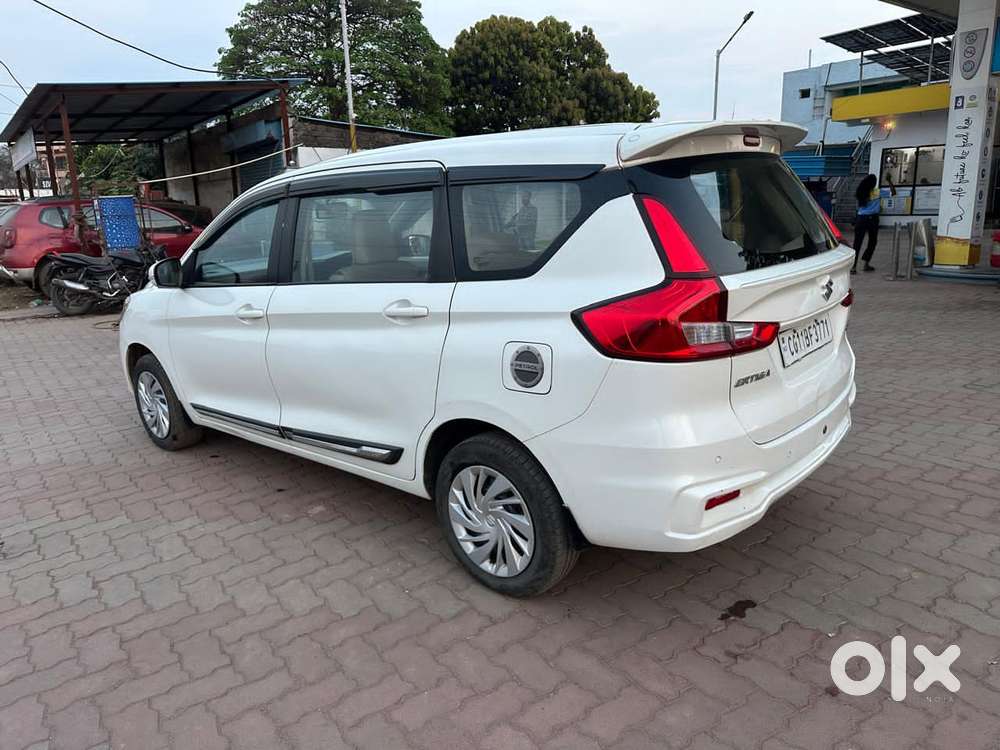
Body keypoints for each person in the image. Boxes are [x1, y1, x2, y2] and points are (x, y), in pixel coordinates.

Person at [852, 173, 893, 274]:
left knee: (857, 243)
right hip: (873, 219)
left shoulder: (860, 192)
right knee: (872, 242)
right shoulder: (877, 192)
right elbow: (893, 192)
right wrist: (889, 181)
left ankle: (853, 267)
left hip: (861, 218)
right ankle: (866, 263)